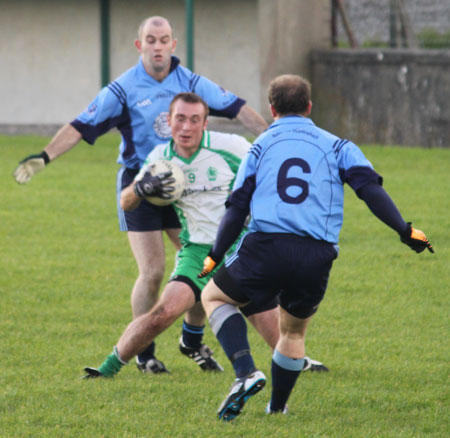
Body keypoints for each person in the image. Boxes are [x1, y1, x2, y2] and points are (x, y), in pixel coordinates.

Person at [13, 16, 268, 373]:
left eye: (164, 40)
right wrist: (45, 156)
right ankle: (144, 354)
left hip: (187, 186)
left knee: (204, 264)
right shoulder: (123, 88)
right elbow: (80, 125)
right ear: (140, 46)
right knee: (153, 271)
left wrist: (277, 138)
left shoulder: (190, 81)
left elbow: (238, 107)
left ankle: (191, 339)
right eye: (151, 39)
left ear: (173, 45)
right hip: (143, 184)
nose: (158, 46)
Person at [198, 74, 434, 421]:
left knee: (214, 297)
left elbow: (237, 207)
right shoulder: (338, 145)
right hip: (316, 254)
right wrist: (405, 231)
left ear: (272, 108)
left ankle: (245, 372)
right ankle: (277, 408)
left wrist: (215, 255)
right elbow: (370, 190)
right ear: (309, 107)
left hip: (266, 245)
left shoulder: (260, 147)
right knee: (293, 331)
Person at [83, 92, 328, 379]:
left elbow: (271, 178)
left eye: (194, 120)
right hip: (198, 253)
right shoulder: (160, 158)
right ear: (168, 121)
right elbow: (126, 203)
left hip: (241, 250)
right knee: (163, 312)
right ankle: (106, 369)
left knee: (278, 337)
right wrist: (139, 189)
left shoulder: (232, 148)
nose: (186, 127)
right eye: (180, 119)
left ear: (205, 124)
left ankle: (297, 362)